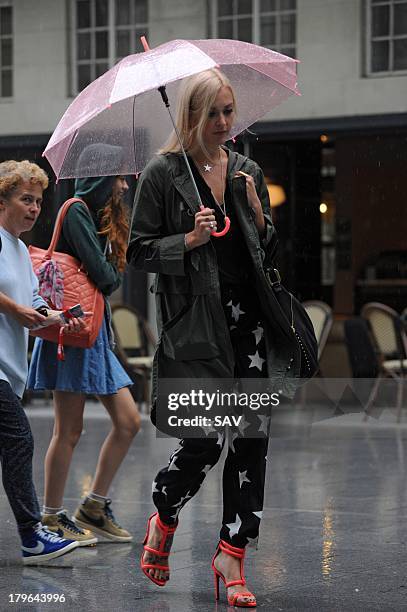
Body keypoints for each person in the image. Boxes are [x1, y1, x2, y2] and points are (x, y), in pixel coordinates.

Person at [127, 69, 300, 608]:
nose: (224, 123)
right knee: (203, 439)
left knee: (251, 439)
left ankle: (232, 551)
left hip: (250, 323)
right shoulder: (162, 174)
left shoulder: (247, 170)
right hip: (196, 328)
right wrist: (189, 238)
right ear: (191, 116)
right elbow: (138, 252)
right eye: (213, 114)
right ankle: (165, 506)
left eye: (229, 111)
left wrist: (257, 220)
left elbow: (266, 254)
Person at [28, 147, 141, 545]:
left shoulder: (95, 218)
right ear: (99, 176)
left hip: (93, 335)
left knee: (129, 422)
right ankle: (52, 516)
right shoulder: (76, 211)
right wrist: (108, 259)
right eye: (118, 177)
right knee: (68, 430)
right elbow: (107, 279)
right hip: (72, 334)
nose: (124, 185)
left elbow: (108, 273)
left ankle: (93, 507)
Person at [0, 159, 79, 564]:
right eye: (25, 199)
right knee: (19, 440)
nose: (34, 208)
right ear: (2, 201)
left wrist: (57, 315)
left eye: (38, 201)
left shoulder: (18, 249)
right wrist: (15, 309)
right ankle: (32, 536)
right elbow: (16, 306)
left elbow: (33, 303)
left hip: (10, 370)